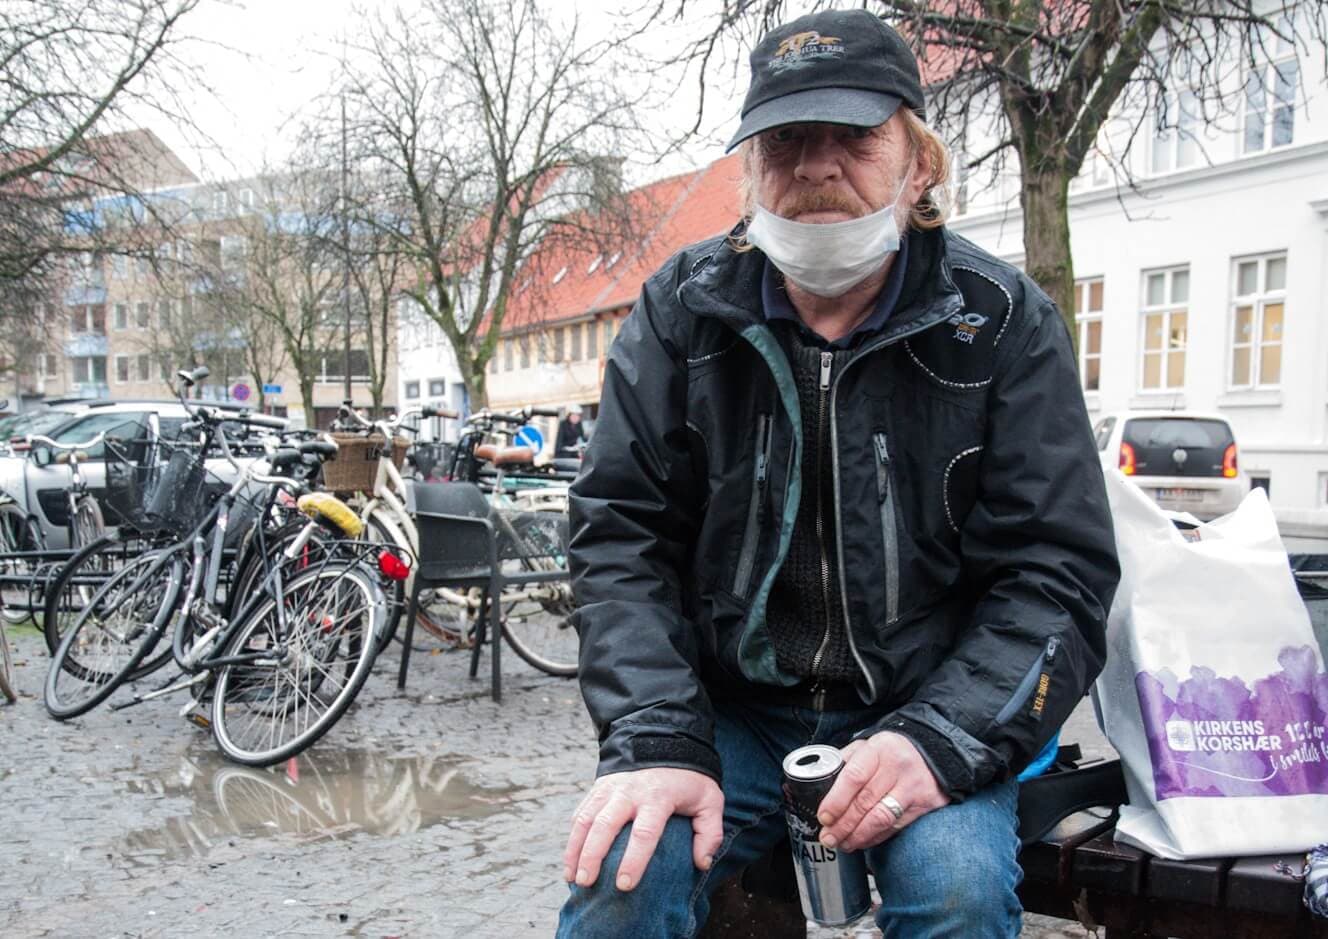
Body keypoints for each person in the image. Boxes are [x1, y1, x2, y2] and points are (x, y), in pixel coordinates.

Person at [558, 9, 1120, 938]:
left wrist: (940, 739)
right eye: (784, 142)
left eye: (854, 138)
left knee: (954, 891)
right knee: (623, 870)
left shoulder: (1003, 322)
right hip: (728, 712)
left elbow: (1057, 574)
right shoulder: (680, 311)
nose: (816, 167)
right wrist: (656, 735)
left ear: (919, 163)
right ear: (749, 171)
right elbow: (621, 536)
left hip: (927, 708)